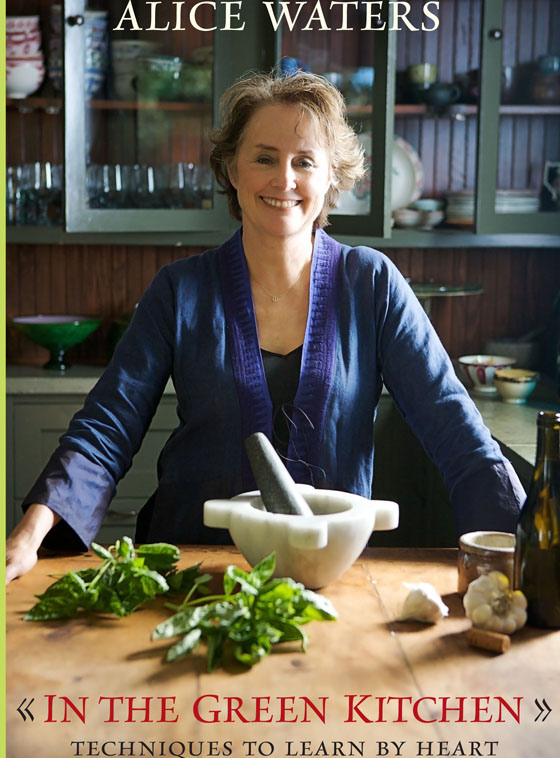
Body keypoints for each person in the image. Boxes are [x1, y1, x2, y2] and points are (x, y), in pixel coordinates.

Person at [6, 71, 525, 585]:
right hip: (191, 569)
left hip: (326, 570)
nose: (284, 180)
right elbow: (108, 425)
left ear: (332, 177)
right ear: (232, 169)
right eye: (264, 158)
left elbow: (452, 424)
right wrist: (30, 534)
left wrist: (526, 544)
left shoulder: (372, 283)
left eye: (305, 161)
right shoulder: (179, 289)